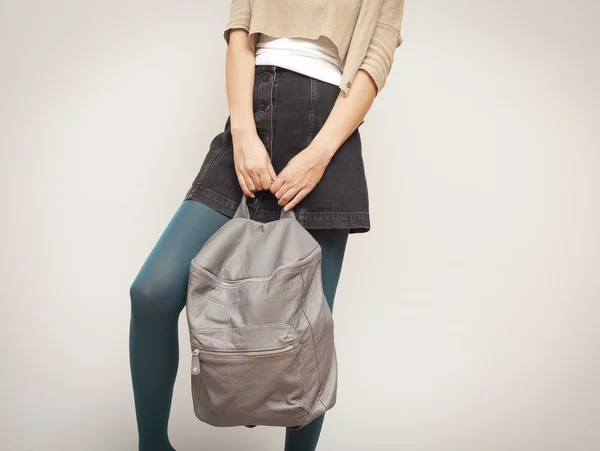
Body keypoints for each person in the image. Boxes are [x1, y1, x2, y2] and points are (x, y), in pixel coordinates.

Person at [129, 1, 405, 450]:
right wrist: (243, 133)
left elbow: (376, 59)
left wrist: (318, 156)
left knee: (308, 336)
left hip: (328, 133)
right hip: (253, 118)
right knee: (152, 293)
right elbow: (240, 33)